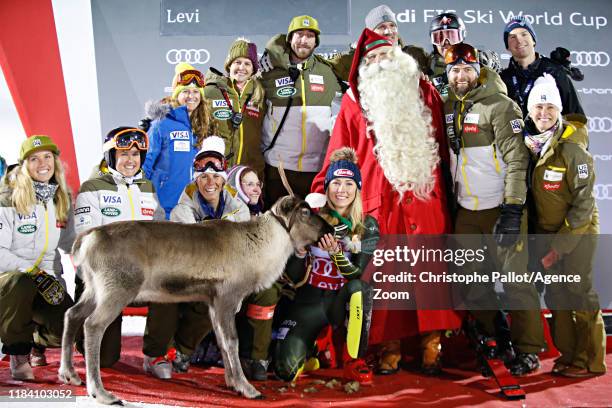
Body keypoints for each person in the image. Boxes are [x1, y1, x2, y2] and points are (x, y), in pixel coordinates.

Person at [312, 29, 462, 375]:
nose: (380, 63)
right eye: (372, 59)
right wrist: (323, 193)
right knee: (386, 278)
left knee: (431, 276)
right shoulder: (353, 101)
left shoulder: (424, 91)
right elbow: (340, 152)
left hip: (425, 197)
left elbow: (443, 143)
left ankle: (432, 346)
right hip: (381, 204)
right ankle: (389, 348)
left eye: (385, 56)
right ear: (363, 67)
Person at [444, 43, 545, 375]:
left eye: (467, 70)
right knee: (472, 280)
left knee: (516, 280)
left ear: (479, 72)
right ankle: (496, 334)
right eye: (454, 70)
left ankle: (529, 349)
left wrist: (513, 209)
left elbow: (517, 160)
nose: (460, 76)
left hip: (500, 208)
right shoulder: (448, 105)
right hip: (467, 210)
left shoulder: (500, 106)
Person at [142, 136, 249, 379]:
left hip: (218, 273)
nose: (209, 182)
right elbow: (193, 251)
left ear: (223, 179)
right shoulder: (182, 207)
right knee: (163, 292)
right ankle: (155, 352)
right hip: (181, 270)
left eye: (215, 176)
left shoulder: (239, 208)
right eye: (203, 177)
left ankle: (182, 350)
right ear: (196, 179)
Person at [524, 74, 606, 378]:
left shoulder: (572, 148)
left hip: (577, 233)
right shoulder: (530, 145)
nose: (543, 113)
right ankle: (570, 356)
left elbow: (584, 205)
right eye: (538, 107)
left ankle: (591, 360)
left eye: (550, 108)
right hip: (546, 232)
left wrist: (559, 248)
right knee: (557, 297)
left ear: (559, 111)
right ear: (530, 110)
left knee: (579, 294)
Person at [275, 147, 378, 385]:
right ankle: (314, 348)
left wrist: (336, 255)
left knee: (360, 289)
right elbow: (293, 276)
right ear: (327, 186)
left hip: (340, 301)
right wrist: (298, 253)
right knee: (284, 370)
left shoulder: (367, 224)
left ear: (357, 189)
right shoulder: (311, 217)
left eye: (349, 184)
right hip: (309, 300)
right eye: (336, 183)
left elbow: (356, 273)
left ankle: (354, 360)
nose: (342, 190)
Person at [73, 126, 164, 368]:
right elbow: (86, 240)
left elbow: (161, 232)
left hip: (140, 274)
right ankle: (80, 333)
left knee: (173, 285)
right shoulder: (92, 187)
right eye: (124, 154)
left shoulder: (147, 187)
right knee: (105, 359)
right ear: (111, 156)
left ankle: (156, 354)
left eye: (135, 155)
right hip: (103, 277)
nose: (130, 160)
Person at [0, 135, 74, 380]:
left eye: (47, 157)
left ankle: (28, 335)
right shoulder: (7, 198)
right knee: (19, 283)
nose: (43, 163)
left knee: (68, 327)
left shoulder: (61, 198)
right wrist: (34, 274)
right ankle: (18, 353)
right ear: (24, 165)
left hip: (44, 281)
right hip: (9, 282)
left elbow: (72, 244)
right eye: (34, 159)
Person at [259, 15, 342, 206]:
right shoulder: (269, 71)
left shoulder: (328, 71)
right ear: (289, 38)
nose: (304, 40)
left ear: (316, 42)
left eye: (309, 36)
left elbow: (362, 57)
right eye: (299, 35)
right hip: (278, 169)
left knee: (313, 232)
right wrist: (270, 51)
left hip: (317, 170)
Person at [225, 165, 280, 379]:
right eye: (248, 184)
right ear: (234, 187)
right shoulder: (226, 214)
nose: (256, 189)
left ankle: (256, 356)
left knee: (268, 291)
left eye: (258, 184)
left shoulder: (263, 217)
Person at [143, 63, 216, 217]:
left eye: (196, 92)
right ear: (176, 94)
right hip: (164, 208)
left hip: (192, 210)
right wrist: (143, 200)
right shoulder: (161, 124)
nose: (192, 96)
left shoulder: (203, 126)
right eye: (186, 91)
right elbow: (145, 165)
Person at [204, 38, 266, 178]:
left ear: (253, 69)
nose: (242, 68)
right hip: (217, 170)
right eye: (237, 62)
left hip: (250, 173)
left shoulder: (260, 94)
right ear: (229, 65)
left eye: (247, 63)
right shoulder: (211, 91)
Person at [500, 16, 584, 117]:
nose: (519, 40)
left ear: (533, 40)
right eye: (513, 37)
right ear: (507, 46)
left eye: (524, 34)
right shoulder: (503, 78)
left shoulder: (555, 71)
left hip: (551, 132)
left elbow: (576, 117)